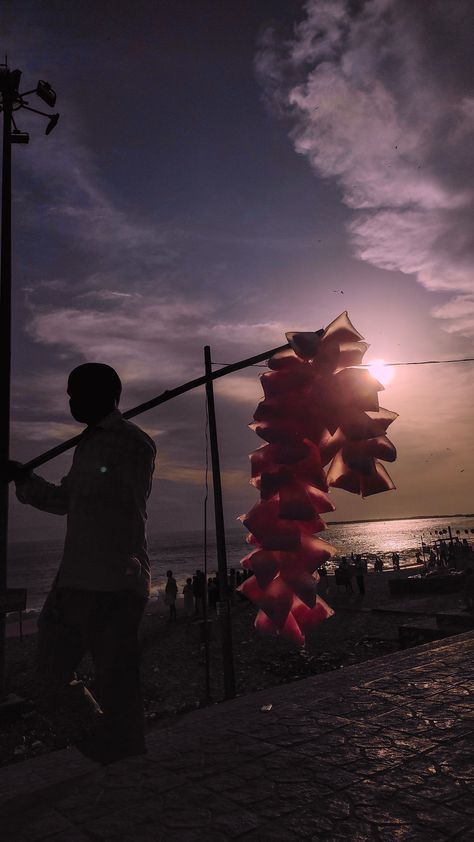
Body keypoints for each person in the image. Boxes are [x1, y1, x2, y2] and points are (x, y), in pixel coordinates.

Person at [8, 363, 156, 764]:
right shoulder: (88, 444)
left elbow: (118, 502)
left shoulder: (133, 443)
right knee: (49, 675)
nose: (70, 401)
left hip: (114, 581)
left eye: (76, 393)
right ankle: (104, 735)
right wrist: (26, 479)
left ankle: (123, 753)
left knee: (117, 681)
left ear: (104, 395)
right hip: (74, 579)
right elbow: (64, 502)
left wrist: (89, 471)